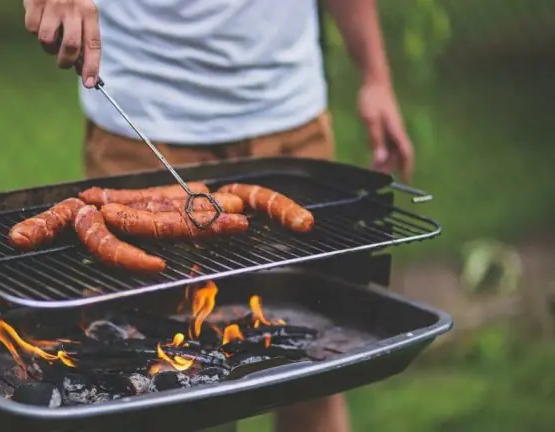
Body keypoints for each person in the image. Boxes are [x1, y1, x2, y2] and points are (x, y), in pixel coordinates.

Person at [23, 0, 414, 430]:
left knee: (311, 371)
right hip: (141, 123)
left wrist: (376, 77)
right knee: (168, 390)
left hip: (289, 119)